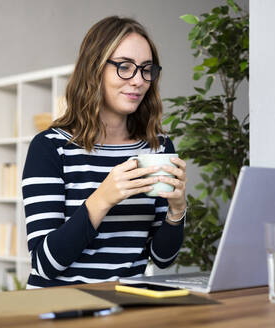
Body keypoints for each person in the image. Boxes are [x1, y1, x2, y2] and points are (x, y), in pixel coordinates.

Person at [22, 16, 187, 289]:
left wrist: (178, 210)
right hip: (61, 305)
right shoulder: (50, 147)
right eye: (125, 67)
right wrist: (103, 198)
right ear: (94, 68)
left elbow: (161, 258)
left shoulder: (157, 147)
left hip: (127, 303)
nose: (138, 80)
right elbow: (45, 263)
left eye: (146, 69)